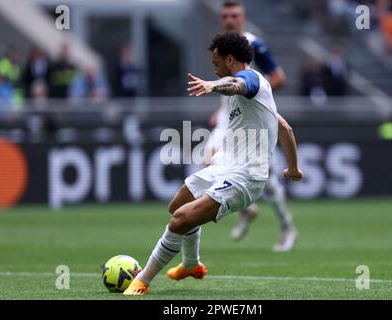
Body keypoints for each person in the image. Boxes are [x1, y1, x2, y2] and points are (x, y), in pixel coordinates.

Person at [123, 32, 303, 296]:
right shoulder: (257, 97)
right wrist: (293, 168)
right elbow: (285, 128)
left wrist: (212, 85)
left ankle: (142, 282)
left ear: (230, 59)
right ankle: (192, 265)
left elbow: (238, 83)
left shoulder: (251, 80)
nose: (213, 67)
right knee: (178, 206)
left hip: (245, 178)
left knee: (179, 220)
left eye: (216, 62)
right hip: (224, 167)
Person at [206, 0, 296, 252]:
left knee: (266, 177)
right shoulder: (222, 50)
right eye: (225, 16)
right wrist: (220, 109)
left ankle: (287, 227)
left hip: (252, 119)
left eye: (234, 15)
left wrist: (256, 96)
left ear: (242, 18)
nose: (230, 20)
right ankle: (245, 209)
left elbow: (279, 78)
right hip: (228, 117)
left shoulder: (254, 45)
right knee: (208, 160)